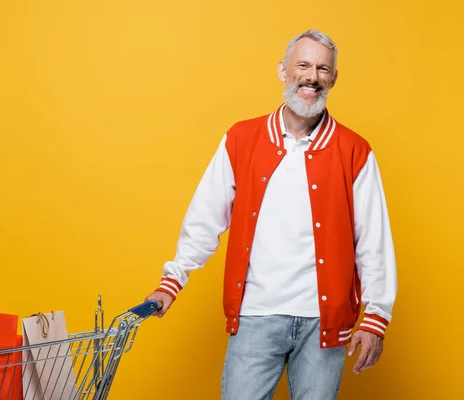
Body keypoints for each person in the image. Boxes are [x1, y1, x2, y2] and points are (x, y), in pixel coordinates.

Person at [145, 29, 397, 400]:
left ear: (333, 78)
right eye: (303, 65)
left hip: (323, 325)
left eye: (323, 69)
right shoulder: (241, 139)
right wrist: (174, 279)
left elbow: (373, 240)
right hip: (255, 316)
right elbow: (205, 216)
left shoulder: (354, 151)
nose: (312, 77)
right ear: (283, 71)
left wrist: (377, 317)